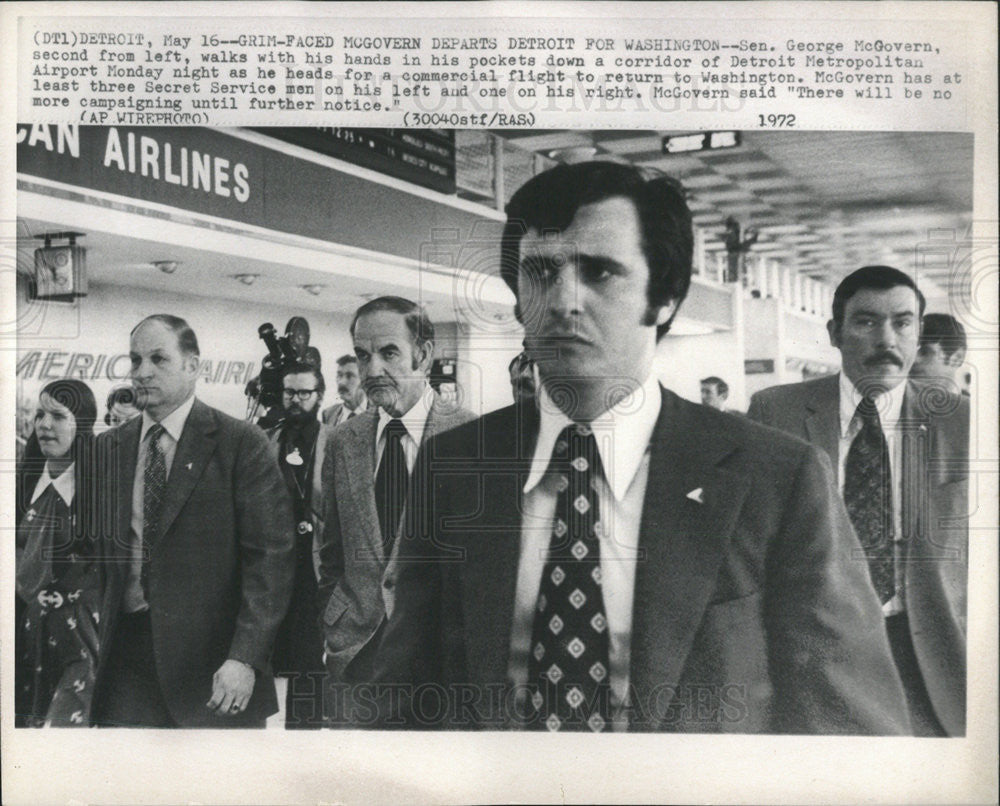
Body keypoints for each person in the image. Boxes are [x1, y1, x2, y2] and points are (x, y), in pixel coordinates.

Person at [374, 161, 909, 734]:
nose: (562, 300)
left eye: (600, 272)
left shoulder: (777, 476)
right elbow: (405, 688)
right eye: (540, 271)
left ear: (665, 299)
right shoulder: (456, 464)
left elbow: (853, 726)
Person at [747, 266, 969, 736]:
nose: (886, 338)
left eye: (903, 323)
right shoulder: (776, 412)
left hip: (928, 652)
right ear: (835, 332)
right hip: (814, 650)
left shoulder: (963, 422)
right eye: (866, 322)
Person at [90, 314, 295, 728]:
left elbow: (270, 560)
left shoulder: (240, 444)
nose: (142, 371)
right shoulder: (109, 448)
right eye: (135, 359)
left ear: (193, 366)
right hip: (124, 660)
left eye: (158, 359)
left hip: (215, 666)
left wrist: (244, 657)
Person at [317, 296, 475, 725]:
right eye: (363, 356)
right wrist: (335, 625)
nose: (373, 370)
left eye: (389, 354)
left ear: (423, 356)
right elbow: (332, 550)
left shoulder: (471, 435)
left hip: (441, 659)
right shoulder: (343, 440)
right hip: (357, 654)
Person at [15, 379, 101, 727]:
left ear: (81, 424)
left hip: (77, 640)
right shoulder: (23, 482)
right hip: (22, 631)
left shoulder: (100, 489)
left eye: (58, 416)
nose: (45, 425)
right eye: (40, 414)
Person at [263, 361, 328, 728]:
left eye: (304, 393)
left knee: (310, 661)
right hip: (278, 565)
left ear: (319, 396)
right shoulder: (268, 440)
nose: (296, 400)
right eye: (290, 392)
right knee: (274, 658)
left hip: (319, 564)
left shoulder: (336, 440)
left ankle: (307, 736)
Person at [910, 312, 968, 394]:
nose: (913, 360)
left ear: (957, 358)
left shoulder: (974, 405)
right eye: (910, 351)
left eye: (924, 352)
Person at [322, 354, 370, 425]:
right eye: (339, 375)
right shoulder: (328, 414)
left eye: (349, 376)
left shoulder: (379, 416)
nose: (342, 382)